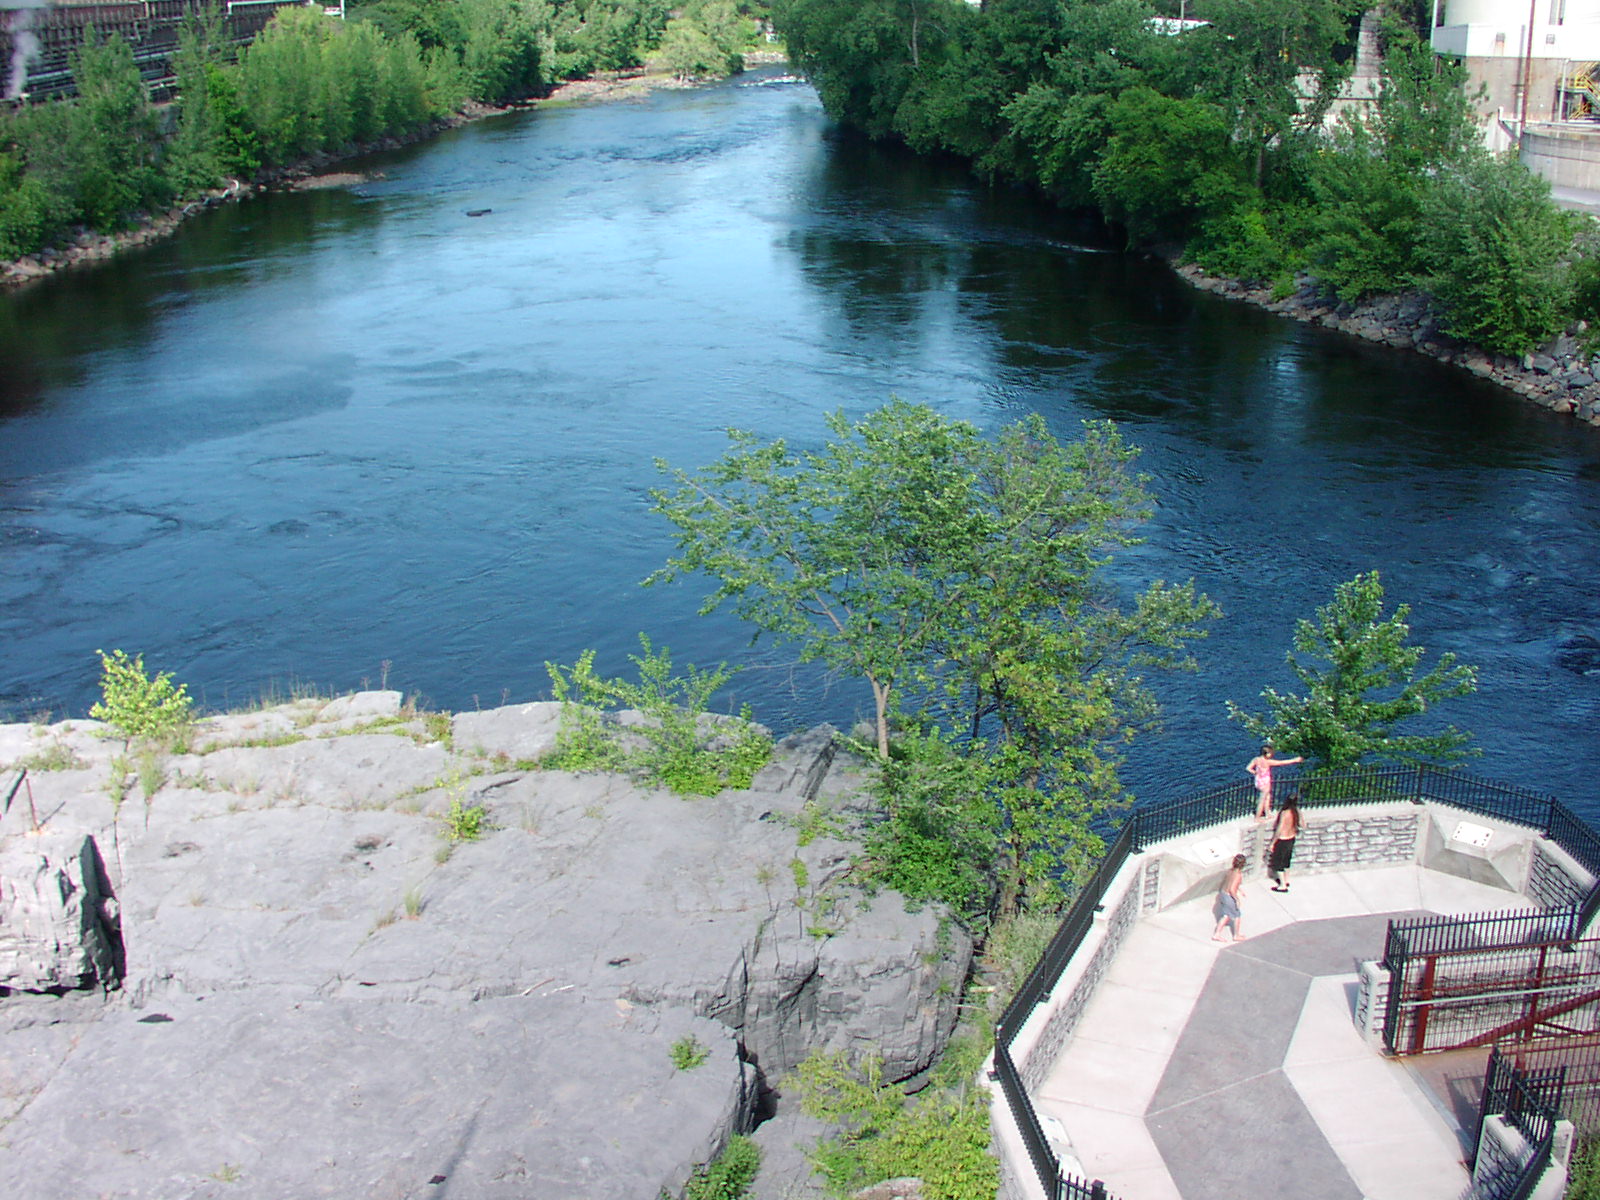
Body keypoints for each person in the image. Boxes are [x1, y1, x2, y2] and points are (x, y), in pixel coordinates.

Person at [1247, 744, 1303, 820]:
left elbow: (1248, 768)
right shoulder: (1268, 762)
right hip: (1265, 782)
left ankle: (1267, 814)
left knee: (1267, 797)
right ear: (1266, 753)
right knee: (1262, 799)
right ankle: (1257, 817)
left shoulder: (1256, 759)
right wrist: (1295, 760)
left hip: (1258, 781)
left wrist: (1256, 773)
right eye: (1270, 753)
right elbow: (1282, 762)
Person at [1269, 791, 1302, 892]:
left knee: (1278, 863)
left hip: (1282, 839)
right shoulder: (1297, 811)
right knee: (1287, 861)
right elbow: (1302, 824)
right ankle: (1286, 880)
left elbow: (1279, 829)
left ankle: (1283, 885)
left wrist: (1272, 843)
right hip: (1291, 838)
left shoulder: (1284, 813)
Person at [1214, 853, 1247, 942]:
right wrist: (1237, 900)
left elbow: (1230, 883)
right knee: (1236, 915)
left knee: (1226, 915)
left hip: (1223, 894)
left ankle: (1217, 934)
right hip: (1229, 897)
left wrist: (1239, 890)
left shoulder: (1230, 871)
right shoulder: (1238, 875)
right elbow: (1232, 889)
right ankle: (1235, 935)